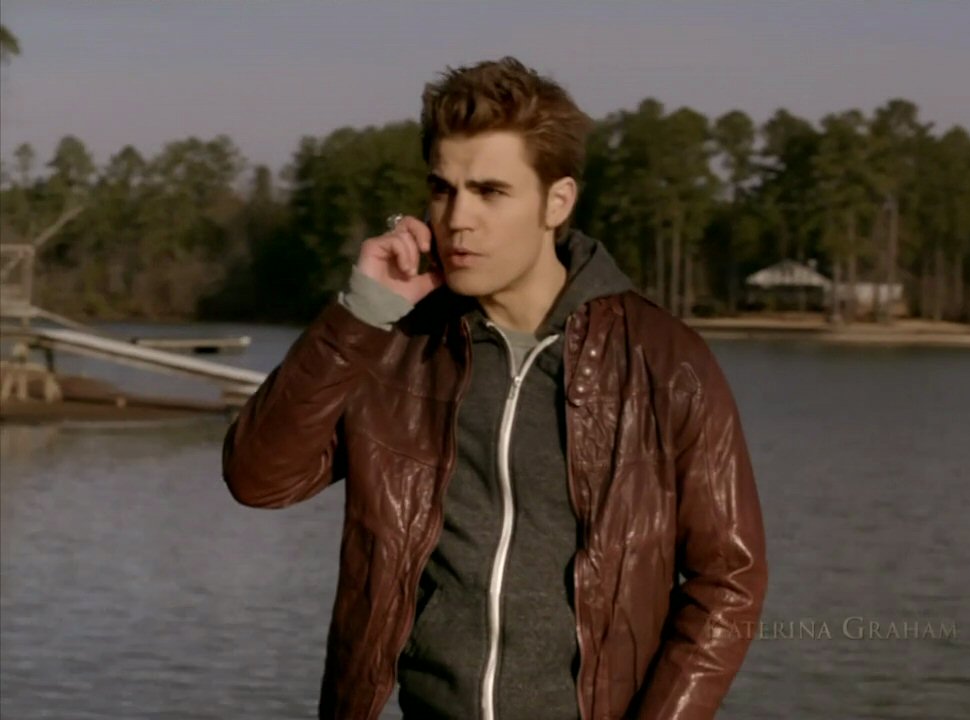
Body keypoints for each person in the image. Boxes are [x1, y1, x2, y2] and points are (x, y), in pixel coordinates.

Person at [222, 56, 767, 720]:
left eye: (489, 191)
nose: (458, 218)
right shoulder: (398, 348)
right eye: (443, 189)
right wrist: (358, 315)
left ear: (556, 202)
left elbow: (728, 579)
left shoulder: (664, 361)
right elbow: (258, 479)